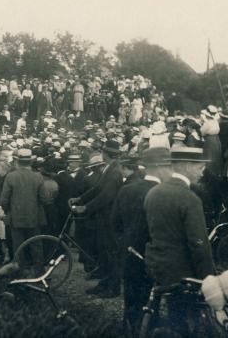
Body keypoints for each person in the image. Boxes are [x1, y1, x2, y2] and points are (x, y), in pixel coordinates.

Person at [144, 146, 215, 336]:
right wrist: (209, 277)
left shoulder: (153, 193)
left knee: (175, 318)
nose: (203, 171)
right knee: (189, 322)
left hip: (159, 268)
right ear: (185, 166)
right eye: (199, 167)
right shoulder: (189, 198)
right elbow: (199, 244)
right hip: (184, 274)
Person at [111, 148, 173, 333]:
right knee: (152, 300)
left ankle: (130, 329)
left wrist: (127, 243)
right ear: (162, 168)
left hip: (131, 253)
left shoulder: (127, 190)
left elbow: (115, 223)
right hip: (156, 255)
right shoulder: (165, 192)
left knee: (131, 299)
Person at [70, 139, 124, 297]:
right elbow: (97, 189)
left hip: (109, 218)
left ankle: (112, 288)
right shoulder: (109, 169)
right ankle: (105, 283)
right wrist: (80, 199)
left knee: (110, 253)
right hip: (103, 217)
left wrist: (86, 207)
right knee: (104, 252)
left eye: (102, 152)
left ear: (106, 154)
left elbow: (106, 196)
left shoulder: (115, 172)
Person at [0, 148, 51, 275]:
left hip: (16, 217)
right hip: (34, 217)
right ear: (31, 162)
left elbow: (4, 200)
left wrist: (7, 211)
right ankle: (40, 273)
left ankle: (20, 273)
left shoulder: (10, 176)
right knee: (36, 245)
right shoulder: (38, 177)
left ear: (17, 161)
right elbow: (45, 199)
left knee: (18, 247)